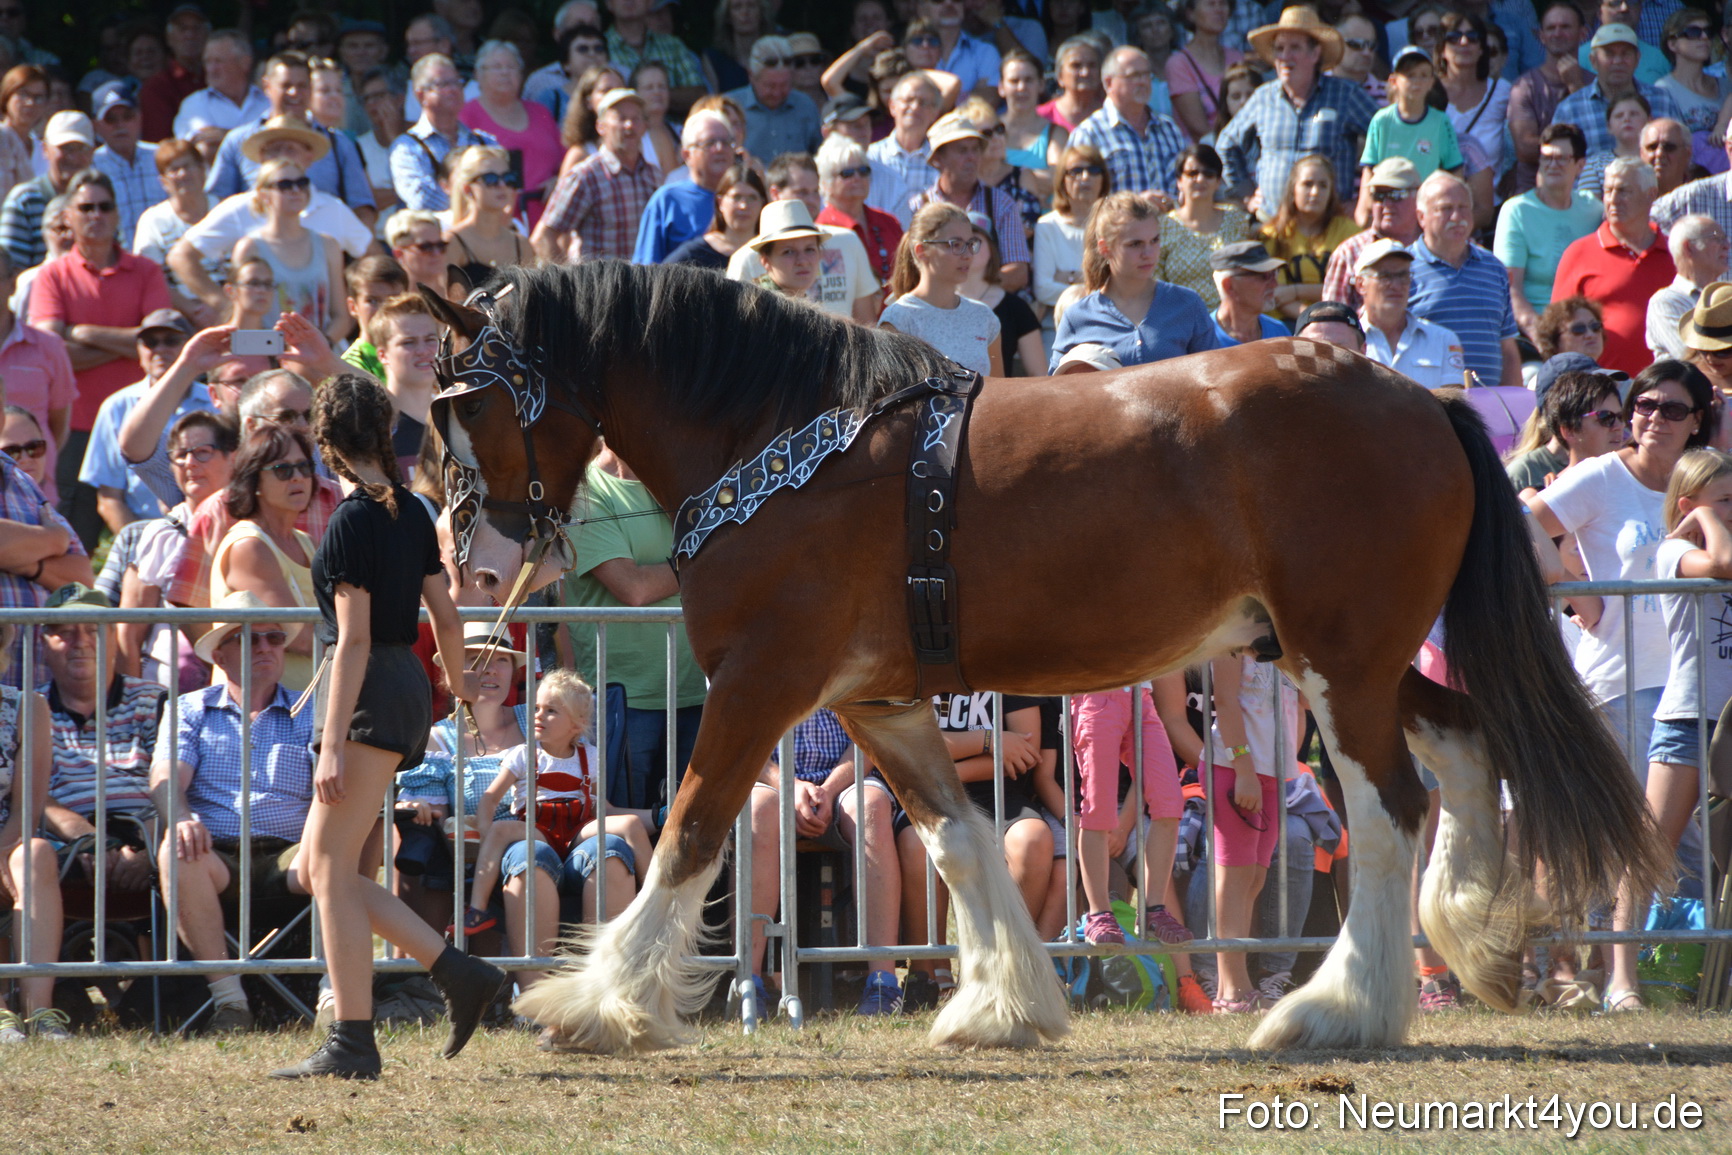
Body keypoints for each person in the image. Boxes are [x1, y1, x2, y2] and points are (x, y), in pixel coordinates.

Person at [270, 373, 497, 1080]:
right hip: (407, 688)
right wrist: (457, 681)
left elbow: (354, 640)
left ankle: (355, 1037)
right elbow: (449, 613)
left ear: (327, 442)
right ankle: (452, 970)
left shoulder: (350, 521)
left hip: (368, 689)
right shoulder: (411, 510)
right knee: (317, 867)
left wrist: (331, 742)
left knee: (331, 869)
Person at [1526, 360, 1715, 772]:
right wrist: (1572, 590)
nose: (1655, 419)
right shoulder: (1602, 477)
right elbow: (1518, 525)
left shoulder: (1714, 477)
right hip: (1625, 684)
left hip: (1707, 683)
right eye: (1645, 405)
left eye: (1673, 411)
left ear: (1697, 421)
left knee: (1694, 832)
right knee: (1662, 833)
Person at [149, 590, 314, 1034]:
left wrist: (323, 836)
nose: (265, 648)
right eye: (250, 639)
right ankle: (230, 1003)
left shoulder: (313, 709)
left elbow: (333, 792)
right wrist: (181, 816)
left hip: (293, 855)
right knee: (174, 849)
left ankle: (338, 1000)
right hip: (218, 856)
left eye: (274, 638)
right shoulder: (190, 708)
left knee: (334, 851)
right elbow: (164, 780)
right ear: (220, 653)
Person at [1605, 446, 1732, 1012]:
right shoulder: (1674, 550)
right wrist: (1702, 519)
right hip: (1687, 719)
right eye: (1726, 499)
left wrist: (1712, 511)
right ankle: (1621, 981)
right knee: (1649, 851)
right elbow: (1721, 566)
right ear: (1688, 504)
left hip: (1729, 717)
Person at [559, 442, 705, 816]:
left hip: (698, 695)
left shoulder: (686, 481)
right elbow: (633, 588)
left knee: (697, 835)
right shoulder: (582, 495)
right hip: (622, 703)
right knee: (625, 834)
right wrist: (706, 561)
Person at [28, 169, 172, 550]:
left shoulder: (146, 270)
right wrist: (131, 340)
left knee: (154, 538)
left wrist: (80, 331)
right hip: (74, 427)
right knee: (74, 541)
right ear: (68, 217)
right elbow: (52, 353)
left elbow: (162, 344)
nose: (96, 215)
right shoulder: (52, 276)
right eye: (86, 207)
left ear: (117, 213)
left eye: (104, 206)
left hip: (141, 425)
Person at [457, 669, 652, 944]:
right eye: (536, 708)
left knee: (630, 824)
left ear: (577, 724)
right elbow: (490, 799)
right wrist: (487, 832)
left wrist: (657, 816)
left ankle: (654, 895)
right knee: (502, 829)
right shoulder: (524, 755)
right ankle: (478, 908)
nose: (537, 715)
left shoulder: (591, 756)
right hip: (537, 830)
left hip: (577, 832)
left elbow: (600, 805)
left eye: (551, 711)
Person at [166, 119, 374, 320]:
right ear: (261, 156)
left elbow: (373, 258)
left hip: (320, 342)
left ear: (308, 156)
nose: (282, 156)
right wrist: (225, 307)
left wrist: (355, 313)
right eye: (274, 149)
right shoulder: (239, 208)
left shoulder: (332, 209)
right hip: (262, 345)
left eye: (290, 148)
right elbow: (181, 256)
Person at [39, 581, 166, 898]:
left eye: (93, 630)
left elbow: (182, 787)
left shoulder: (156, 702)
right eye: (64, 632)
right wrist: (89, 839)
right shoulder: (28, 710)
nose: (79, 642)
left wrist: (145, 847)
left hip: (152, 839)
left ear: (113, 639)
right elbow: (27, 796)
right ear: (43, 644)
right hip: (63, 847)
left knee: (183, 857)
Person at [1206, 652, 1301, 1012]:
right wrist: (1244, 769)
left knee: (1254, 879)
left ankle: (1236, 986)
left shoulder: (1282, 641)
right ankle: (1231, 991)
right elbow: (1226, 702)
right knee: (1235, 877)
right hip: (1234, 768)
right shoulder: (1232, 640)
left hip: (1273, 770)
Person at [1216, 6, 1376, 207]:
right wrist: (1246, 194)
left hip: (1330, 228)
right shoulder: (1263, 97)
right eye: (1279, 48)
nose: (1285, 56)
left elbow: (1387, 138)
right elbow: (1226, 144)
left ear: (1315, 53)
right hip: (1273, 224)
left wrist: (1363, 201)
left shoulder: (1346, 94)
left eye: (1294, 47)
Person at [1050, 189, 1222, 371]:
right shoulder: (1077, 317)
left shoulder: (1187, 304)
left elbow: (1216, 376)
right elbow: (1056, 392)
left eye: (1154, 240)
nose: (1148, 253)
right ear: (1105, 248)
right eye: (1135, 244)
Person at [208, 423, 316, 692]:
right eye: (282, 470)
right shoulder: (249, 546)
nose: (297, 478)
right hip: (257, 715)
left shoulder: (308, 543)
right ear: (254, 482)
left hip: (306, 708)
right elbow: (301, 637)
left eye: (304, 467)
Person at [206, 53, 374, 224]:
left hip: (322, 248)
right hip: (257, 247)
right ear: (267, 86)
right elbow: (218, 205)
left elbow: (362, 210)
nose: (294, 93)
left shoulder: (338, 144)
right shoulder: (238, 141)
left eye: (302, 86)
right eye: (286, 86)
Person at [79, 309, 198, 537]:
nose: (160, 350)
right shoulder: (117, 407)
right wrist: (140, 550)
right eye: (150, 342)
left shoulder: (215, 401)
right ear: (139, 350)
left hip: (207, 533)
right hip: (145, 535)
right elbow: (109, 499)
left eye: (171, 341)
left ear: (189, 347)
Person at [1553, 157, 1677, 377]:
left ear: (1651, 194)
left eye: (1623, 191)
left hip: (1665, 389)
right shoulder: (1579, 253)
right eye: (1608, 191)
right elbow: (1557, 330)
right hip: (1601, 391)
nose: (1612, 199)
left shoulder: (1675, 253)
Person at [0, 621, 61, 1042]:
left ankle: (40, 1012)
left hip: (6, 840)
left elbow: (27, 808)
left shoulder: (26, 707)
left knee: (37, 853)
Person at [1405, 171, 1520, 387]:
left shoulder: (1494, 269)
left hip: (1487, 408)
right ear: (1421, 217)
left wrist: (1515, 411)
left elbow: (1508, 349)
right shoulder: (1404, 269)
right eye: (1446, 209)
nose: (1457, 217)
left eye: (1463, 207)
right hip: (1430, 407)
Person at [1495, 122, 1603, 343]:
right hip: (1533, 337)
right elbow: (1510, 290)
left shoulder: (1594, 210)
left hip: (1586, 333)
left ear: (1580, 165)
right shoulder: (1517, 211)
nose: (1553, 165)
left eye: (1562, 158)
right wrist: (1546, 341)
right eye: (1546, 158)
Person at [908, 112, 1030, 291]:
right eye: (962, 151)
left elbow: (1018, 273)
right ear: (938, 159)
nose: (972, 157)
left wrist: (970, 289)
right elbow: (909, 271)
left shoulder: (1001, 204)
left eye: (975, 149)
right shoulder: (918, 207)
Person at [535, 88, 658, 265]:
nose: (629, 125)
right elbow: (545, 236)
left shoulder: (653, 175)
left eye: (636, 118)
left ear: (644, 126)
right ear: (601, 127)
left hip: (643, 287)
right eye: (621, 118)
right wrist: (566, 283)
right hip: (599, 288)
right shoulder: (586, 176)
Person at [231, 158, 346, 344]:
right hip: (270, 357)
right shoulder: (249, 248)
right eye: (284, 185)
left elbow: (341, 316)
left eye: (302, 183)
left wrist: (321, 348)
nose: (295, 190)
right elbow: (242, 314)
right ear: (263, 194)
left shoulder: (328, 245)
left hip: (323, 355)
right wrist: (279, 353)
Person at [881, 202, 1001, 375]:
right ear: (922, 251)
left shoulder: (984, 317)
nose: (967, 255)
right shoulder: (898, 319)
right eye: (955, 244)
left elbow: (1000, 392)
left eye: (970, 244)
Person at [459, 41, 560, 228]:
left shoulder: (540, 112)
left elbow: (566, 160)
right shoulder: (466, 115)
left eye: (511, 67)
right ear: (478, 75)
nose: (505, 73)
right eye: (497, 67)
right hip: (499, 223)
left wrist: (559, 181)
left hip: (549, 220)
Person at [1357, 46, 1463, 225]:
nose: (1417, 82)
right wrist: (1364, 207)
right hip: (1388, 207)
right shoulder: (1381, 120)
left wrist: (1454, 206)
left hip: (1425, 211)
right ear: (1394, 81)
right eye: (1410, 75)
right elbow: (1369, 168)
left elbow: (1454, 168)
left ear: (1432, 82)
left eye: (1423, 75)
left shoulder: (1440, 122)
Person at [0, 248, 72, 503]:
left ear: (12, 282)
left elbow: (58, 424)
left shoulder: (48, 346)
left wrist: (29, 454)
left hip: (37, 495)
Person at [1069, 46, 1186, 202]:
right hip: (1116, 225)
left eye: (1146, 75)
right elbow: (1079, 202)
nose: (1143, 82)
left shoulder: (1169, 129)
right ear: (1109, 83)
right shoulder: (1089, 134)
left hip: (1168, 225)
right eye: (1134, 76)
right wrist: (1134, 205)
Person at [1553, 23, 1683, 162]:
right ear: (1593, 61)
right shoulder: (1570, 109)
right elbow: (1557, 161)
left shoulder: (1662, 100)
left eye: (1625, 53)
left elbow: (1683, 151)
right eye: (1609, 53)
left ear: (1637, 59)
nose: (1618, 61)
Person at [1354, 238, 1468, 389]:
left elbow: (1454, 406)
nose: (1395, 285)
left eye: (1403, 276)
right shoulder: (1349, 341)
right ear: (1361, 284)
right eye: (1385, 276)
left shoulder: (1443, 339)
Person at [389, 53, 496, 214]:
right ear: (421, 95)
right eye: (444, 84)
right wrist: (478, 207)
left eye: (457, 82)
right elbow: (422, 198)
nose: (454, 90)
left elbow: (505, 189)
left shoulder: (485, 142)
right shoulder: (407, 147)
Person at [1259, 154, 1360, 323]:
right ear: (1293, 189)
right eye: (1307, 184)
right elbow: (1277, 295)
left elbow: (1348, 289)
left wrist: (1295, 291)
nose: (1315, 192)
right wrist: (1315, 319)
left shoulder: (1349, 233)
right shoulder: (1271, 234)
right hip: (1283, 324)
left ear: (1331, 192)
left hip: (1337, 322)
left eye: (1323, 186)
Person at [1507, 359, 1630, 494]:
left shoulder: (1631, 475)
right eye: (1605, 417)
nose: (1620, 426)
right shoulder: (1526, 476)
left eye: (1621, 416)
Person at [1509, 0, 1594, 195]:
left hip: (1585, 193)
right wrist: (1577, 150)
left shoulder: (1595, 83)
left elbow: (1604, 140)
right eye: (1551, 28)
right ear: (1542, 36)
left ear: (1583, 33)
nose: (1557, 33)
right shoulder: (1524, 86)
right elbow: (1524, 148)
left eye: (1565, 27)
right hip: (1533, 193)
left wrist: (1576, 86)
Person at [1320, 157, 1424, 313]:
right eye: (1379, 196)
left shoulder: (1436, 249)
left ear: (1418, 197)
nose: (1387, 205)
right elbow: (1332, 320)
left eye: (1396, 195)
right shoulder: (1349, 253)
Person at [632, 109, 735, 263]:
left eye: (726, 142)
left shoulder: (746, 197)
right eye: (710, 143)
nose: (720, 148)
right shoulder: (667, 200)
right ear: (687, 155)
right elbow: (646, 269)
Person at [1435, 11, 1511, 217]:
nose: (1463, 42)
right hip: (1437, 208)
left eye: (1473, 36)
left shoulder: (1503, 92)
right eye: (1453, 37)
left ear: (1481, 49)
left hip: (1489, 212)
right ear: (1441, 49)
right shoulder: (1429, 93)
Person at [131, 138, 213, 325]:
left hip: (232, 308)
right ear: (163, 182)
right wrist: (195, 311)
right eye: (174, 170)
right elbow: (150, 278)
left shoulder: (225, 210)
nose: (183, 174)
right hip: (181, 317)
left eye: (188, 166)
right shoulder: (153, 220)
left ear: (203, 170)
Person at [0, 109, 93, 271]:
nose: (73, 157)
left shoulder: (98, 200)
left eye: (81, 149)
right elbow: (10, 271)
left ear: (93, 153)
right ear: (45, 150)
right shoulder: (25, 200)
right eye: (65, 148)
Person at [956, 210, 1042, 375]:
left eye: (974, 242)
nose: (967, 250)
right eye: (958, 243)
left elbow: (1041, 376)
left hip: (997, 398)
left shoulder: (1016, 308)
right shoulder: (938, 302)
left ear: (992, 249)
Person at [1034, 144, 1107, 329]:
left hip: (1109, 320)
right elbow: (1043, 290)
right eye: (1076, 171)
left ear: (1103, 179)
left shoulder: (1114, 225)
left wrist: (1070, 278)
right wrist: (1095, 283)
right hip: (1058, 324)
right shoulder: (1047, 225)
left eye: (1093, 170)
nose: (1085, 177)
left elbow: (1122, 284)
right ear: (1062, 180)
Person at [815, 134, 901, 286]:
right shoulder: (822, 230)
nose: (857, 178)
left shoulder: (888, 221)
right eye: (846, 173)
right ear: (825, 183)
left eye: (863, 171)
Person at [173, 29, 268, 165]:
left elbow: (281, 145)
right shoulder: (195, 104)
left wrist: (226, 136)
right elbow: (202, 152)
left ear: (245, 63)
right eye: (207, 62)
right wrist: (259, 142)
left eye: (218, 61)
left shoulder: (267, 102)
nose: (211, 69)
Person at [89, 81, 164, 249]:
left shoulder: (161, 157)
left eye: (127, 116)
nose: (120, 125)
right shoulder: (90, 166)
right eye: (110, 119)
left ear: (139, 118)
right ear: (96, 126)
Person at [443, 145, 531, 284]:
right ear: (467, 189)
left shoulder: (521, 244)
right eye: (491, 179)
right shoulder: (452, 242)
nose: (502, 185)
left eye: (508, 178)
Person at [728, 35, 821, 164]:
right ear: (751, 76)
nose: (777, 93)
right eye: (770, 86)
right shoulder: (731, 106)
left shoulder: (805, 106)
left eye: (784, 85)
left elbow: (818, 155)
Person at [603, 0, 706, 116]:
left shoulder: (673, 45)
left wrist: (644, 94)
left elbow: (698, 95)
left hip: (672, 130)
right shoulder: (598, 48)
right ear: (608, 3)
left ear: (650, 2)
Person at [867, 72, 941, 228]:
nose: (914, 107)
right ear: (892, 106)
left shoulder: (941, 160)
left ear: (935, 113)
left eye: (923, 103)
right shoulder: (872, 156)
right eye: (908, 100)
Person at [1650, 216, 1729, 360]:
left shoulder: (1727, 295)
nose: (1727, 245)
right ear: (1688, 247)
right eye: (1717, 239)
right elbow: (1696, 359)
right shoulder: (1667, 302)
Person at [1167, 0, 1242, 144]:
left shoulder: (1237, 58)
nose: (1219, 10)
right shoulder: (1178, 64)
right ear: (1190, 14)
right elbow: (1199, 129)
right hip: (1205, 155)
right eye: (1211, 4)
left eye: (1223, 4)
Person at [665, 161, 764, 269]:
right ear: (720, 202)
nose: (743, 206)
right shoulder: (694, 254)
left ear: (762, 203)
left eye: (752, 198)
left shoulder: (772, 253)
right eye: (736, 197)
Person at [1000, 50, 1065, 200]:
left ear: (1041, 85)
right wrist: (1033, 179)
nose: (1022, 87)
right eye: (1014, 81)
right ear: (1001, 87)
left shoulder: (1056, 134)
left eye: (1029, 80)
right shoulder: (990, 129)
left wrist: (1000, 175)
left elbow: (1056, 181)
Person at [1209, 240, 1289, 346]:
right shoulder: (1202, 338)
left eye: (1274, 274)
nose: (1274, 284)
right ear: (1229, 285)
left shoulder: (1280, 332)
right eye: (1263, 276)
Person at [1577, 90, 1650, 196]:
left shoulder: (1658, 159)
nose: (1626, 119)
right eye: (1619, 116)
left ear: (1649, 121)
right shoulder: (1595, 165)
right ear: (1609, 126)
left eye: (1634, 114)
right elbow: (1588, 209)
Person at [0, 65, 48, 197]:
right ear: (7, 96)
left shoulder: (45, 150)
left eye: (38, 97)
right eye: (23, 94)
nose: (30, 102)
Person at [1640, 116, 1693, 199]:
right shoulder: (1629, 201)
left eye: (1669, 147)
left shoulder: (1701, 198)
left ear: (1687, 154)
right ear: (1641, 154)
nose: (1659, 153)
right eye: (1652, 147)